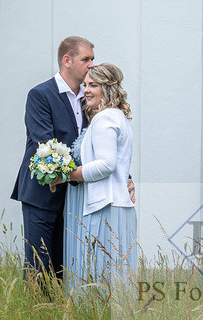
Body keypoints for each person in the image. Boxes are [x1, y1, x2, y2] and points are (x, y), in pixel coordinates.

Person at [11, 36, 95, 279]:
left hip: (73, 196)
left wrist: (124, 176)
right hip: (41, 193)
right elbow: (46, 143)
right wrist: (83, 173)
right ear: (67, 60)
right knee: (39, 265)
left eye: (92, 59)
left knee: (63, 267)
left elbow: (100, 143)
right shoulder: (40, 95)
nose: (91, 65)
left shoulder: (89, 98)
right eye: (86, 59)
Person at [59, 63, 139, 300]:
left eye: (93, 85)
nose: (86, 91)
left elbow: (107, 165)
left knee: (96, 276)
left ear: (109, 88)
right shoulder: (116, 117)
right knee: (111, 276)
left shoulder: (104, 119)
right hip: (113, 204)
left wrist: (68, 175)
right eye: (85, 85)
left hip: (103, 207)